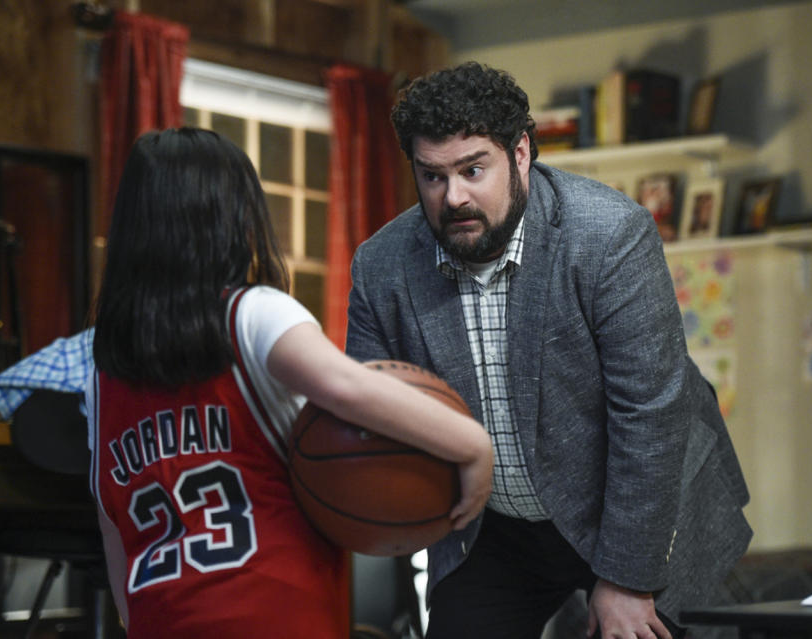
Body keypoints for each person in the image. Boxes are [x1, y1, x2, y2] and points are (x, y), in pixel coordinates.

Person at [345, 62, 753, 639]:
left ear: (520, 154)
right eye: (432, 176)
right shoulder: (382, 266)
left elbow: (650, 416)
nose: (453, 196)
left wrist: (630, 581)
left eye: (472, 169)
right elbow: (368, 405)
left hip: (634, 504)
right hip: (496, 528)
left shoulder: (609, 235)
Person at [87, 127, 493, 638]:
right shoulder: (254, 314)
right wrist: (472, 445)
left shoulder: (103, 371)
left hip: (162, 618)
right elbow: (348, 387)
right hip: (275, 609)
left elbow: (112, 529)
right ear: (235, 215)